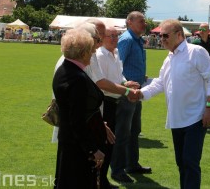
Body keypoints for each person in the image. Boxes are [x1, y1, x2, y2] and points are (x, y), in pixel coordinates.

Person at [138, 19, 210, 189]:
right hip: (177, 119)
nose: (162, 39)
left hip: (196, 118)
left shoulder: (196, 52)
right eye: (160, 36)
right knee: (182, 163)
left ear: (179, 35)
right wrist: (140, 93)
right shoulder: (169, 58)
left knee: (190, 162)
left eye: (165, 35)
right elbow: (161, 82)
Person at [53, 28, 116, 189]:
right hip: (77, 148)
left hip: (71, 142)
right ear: (83, 53)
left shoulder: (66, 70)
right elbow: (78, 121)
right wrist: (93, 150)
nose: (93, 53)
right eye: (91, 50)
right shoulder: (77, 78)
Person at [96, 26, 141, 186]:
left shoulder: (115, 53)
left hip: (115, 102)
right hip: (105, 103)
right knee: (105, 142)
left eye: (116, 35)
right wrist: (126, 89)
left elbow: (118, 75)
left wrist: (124, 82)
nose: (114, 39)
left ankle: (104, 178)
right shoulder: (100, 55)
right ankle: (101, 178)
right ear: (102, 38)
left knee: (112, 141)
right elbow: (102, 83)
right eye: (111, 36)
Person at [113, 11, 151, 182]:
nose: (144, 24)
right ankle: (118, 170)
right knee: (123, 132)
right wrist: (125, 85)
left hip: (136, 92)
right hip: (127, 94)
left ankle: (132, 164)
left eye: (144, 21)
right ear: (129, 22)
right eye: (141, 21)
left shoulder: (136, 40)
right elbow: (117, 65)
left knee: (134, 130)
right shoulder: (127, 40)